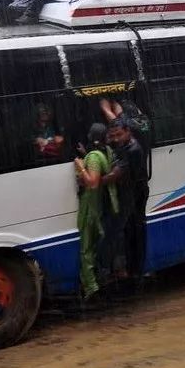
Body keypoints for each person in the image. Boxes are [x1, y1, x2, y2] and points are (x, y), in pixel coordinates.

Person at [102, 117, 150, 286]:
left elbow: (116, 174)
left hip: (136, 194)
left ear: (128, 132)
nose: (115, 139)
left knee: (135, 230)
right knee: (128, 230)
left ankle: (135, 273)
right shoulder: (123, 145)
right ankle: (130, 270)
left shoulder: (133, 149)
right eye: (112, 135)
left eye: (119, 135)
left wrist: (93, 180)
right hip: (129, 192)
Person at [73, 123, 114, 300]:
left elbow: (92, 182)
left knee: (86, 248)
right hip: (100, 205)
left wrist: (80, 166)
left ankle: (91, 287)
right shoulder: (107, 151)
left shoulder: (93, 158)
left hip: (90, 206)